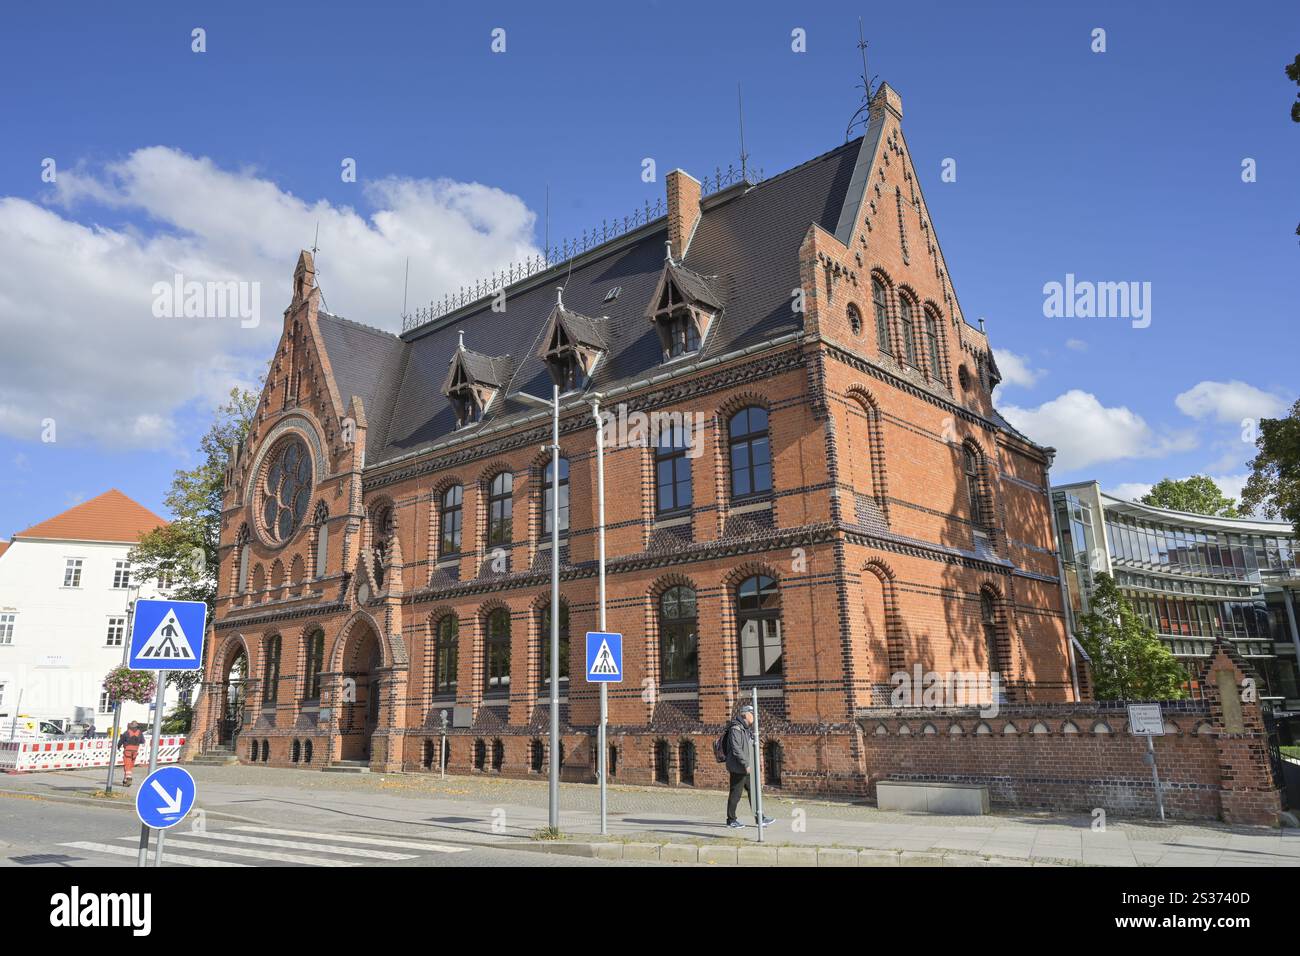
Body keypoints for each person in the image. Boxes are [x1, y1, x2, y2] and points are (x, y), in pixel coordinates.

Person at [724, 704, 774, 829]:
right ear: (745, 714)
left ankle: (760, 818)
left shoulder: (745, 728)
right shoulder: (736, 728)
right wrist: (746, 764)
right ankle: (731, 820)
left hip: (747, 767)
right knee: (735, 794)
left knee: (754, 793)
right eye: (753, 714)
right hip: (738, 768)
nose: (755, 717)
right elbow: (736, 749)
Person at [117, 721, 145, 787]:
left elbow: (121, 740)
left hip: (127, 751)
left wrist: (118, 746)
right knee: (130, 766)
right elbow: (142, 741)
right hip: (135, 751)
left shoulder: (127, 733)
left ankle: (128, 779)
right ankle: (125, 780)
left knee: (127, 765)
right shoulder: (140, 733)